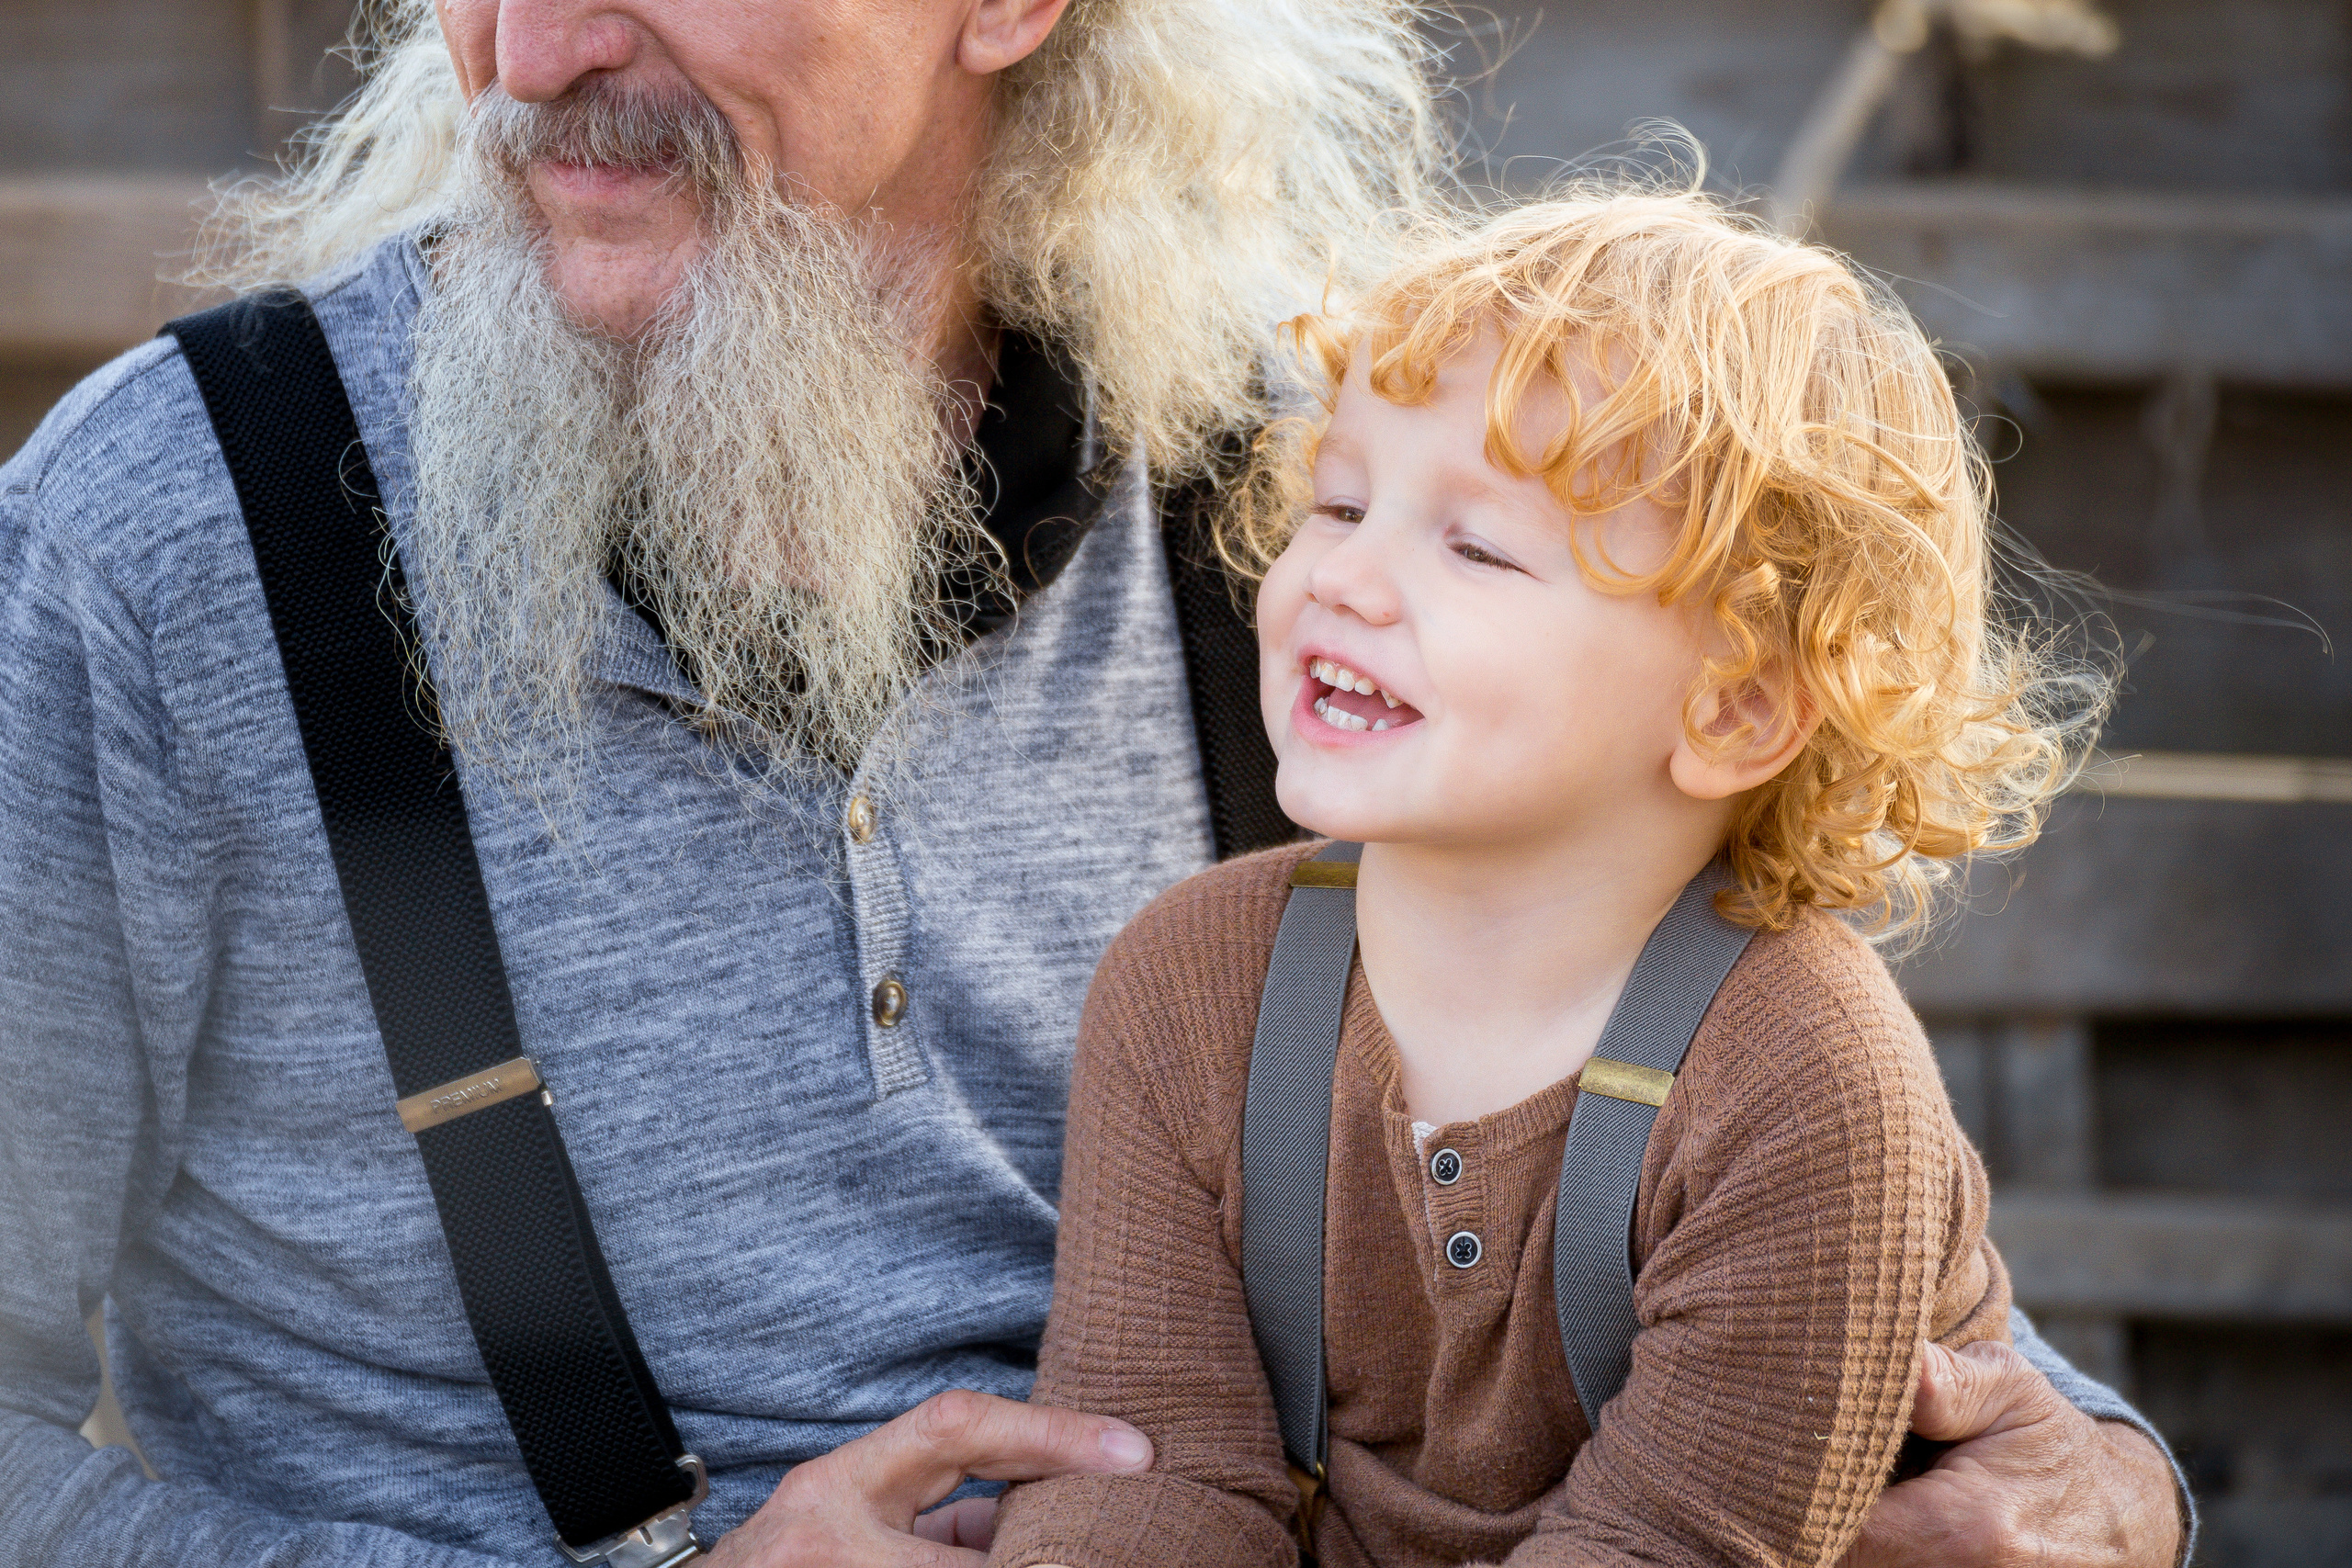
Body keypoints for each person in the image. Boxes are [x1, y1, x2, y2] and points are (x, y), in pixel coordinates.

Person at [0, 2, 2186, 1565]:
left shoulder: (1307, 506)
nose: (543, 37)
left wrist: (2101, 1478)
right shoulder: (173, 542)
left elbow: (1773, 1167)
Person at [982, 185, 2122, 1568]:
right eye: (1338, 503)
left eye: (1474, 546)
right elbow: (1147, 1476)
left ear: (1735, 709)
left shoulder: (1809, 1088)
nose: (1344, 576)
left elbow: (1660, 1546)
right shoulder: (1193, 984)